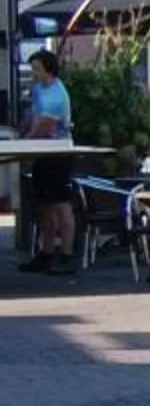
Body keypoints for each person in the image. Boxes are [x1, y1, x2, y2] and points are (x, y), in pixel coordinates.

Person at [20, 50, 78, 273]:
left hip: (57, 153)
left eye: (37, 69)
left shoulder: (56, 95)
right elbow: (32, 116)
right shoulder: (38, 89)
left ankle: (67, 255)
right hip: (43, 153)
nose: (34, 73)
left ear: (49, 69)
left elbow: (45, 126)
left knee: (61, 204)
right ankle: (46, 253)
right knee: (45, 205)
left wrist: (24, 143)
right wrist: (22, 130)